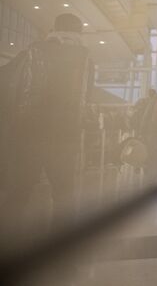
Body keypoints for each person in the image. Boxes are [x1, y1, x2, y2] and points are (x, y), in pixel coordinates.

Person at [1, 13, 93, 237]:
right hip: (66, 137)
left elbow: (14, 83)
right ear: (78, 32)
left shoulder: (37, 50)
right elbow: (86, 96)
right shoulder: (85, 58)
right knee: (63, 193)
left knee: (19, 190)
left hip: (31, 134)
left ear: (55, 28)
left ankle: (9, 240)